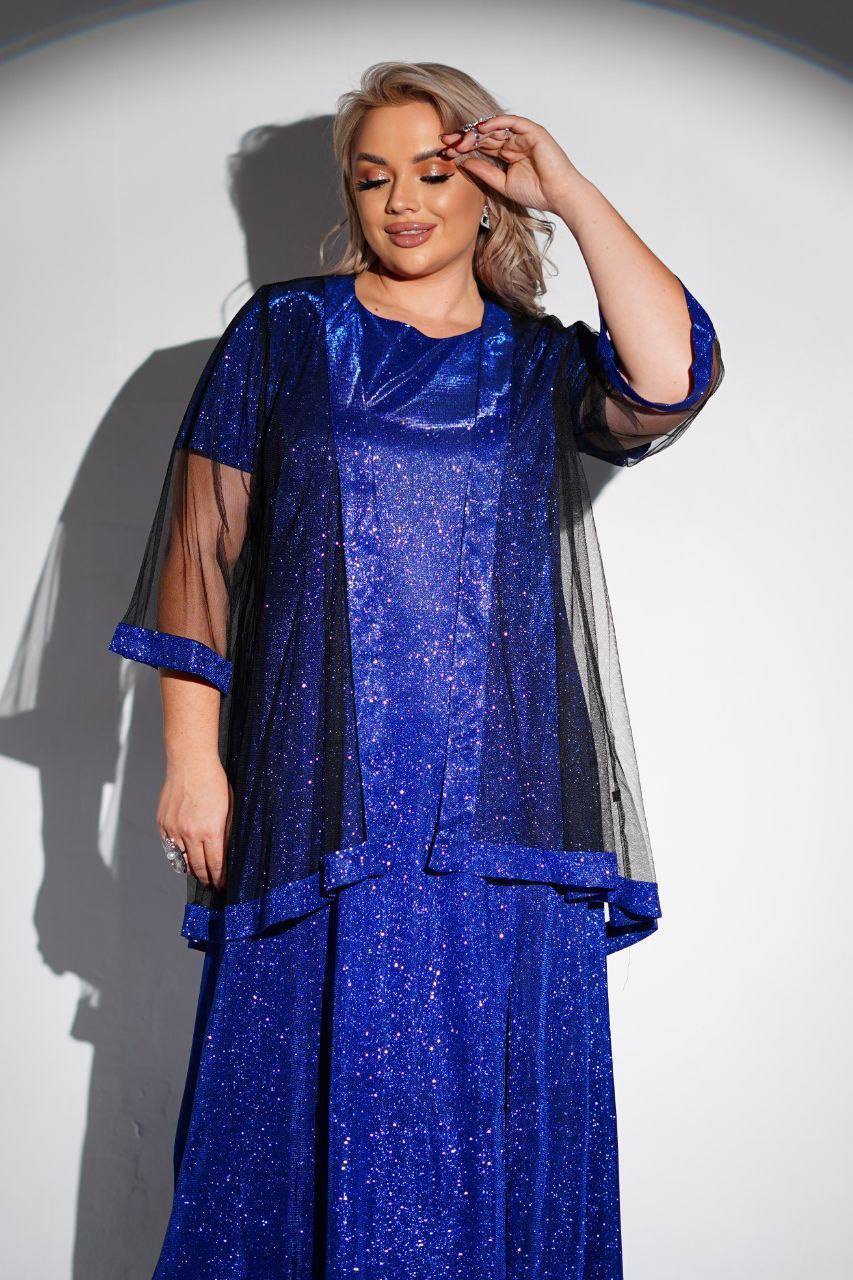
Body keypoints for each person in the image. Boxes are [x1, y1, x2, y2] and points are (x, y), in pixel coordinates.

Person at [108, 61, 724, 1280]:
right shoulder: (285, 333)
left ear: (485, 190)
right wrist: (188, 759)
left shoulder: (537, 363)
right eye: (373, 176)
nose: (402, 201)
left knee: (491, 1125)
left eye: (434, 172)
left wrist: (566, 187)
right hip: (317, 794)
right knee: (289, 1119)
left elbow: (668, 380)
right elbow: (201, 551)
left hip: (501, 810)